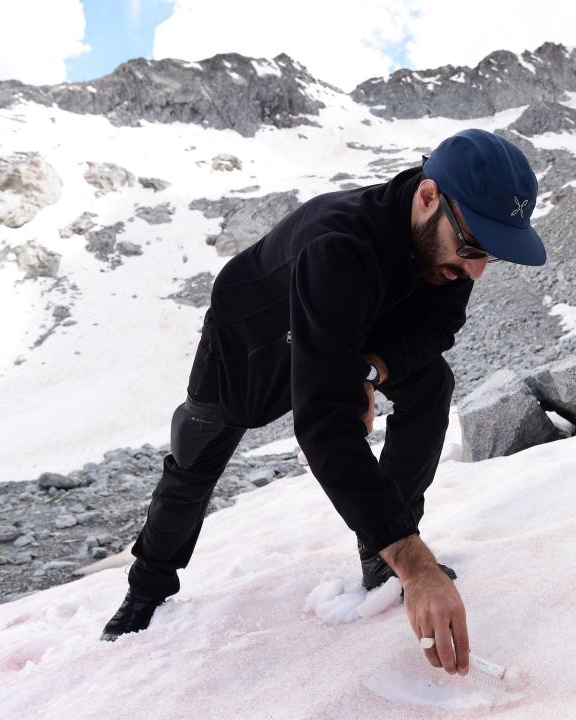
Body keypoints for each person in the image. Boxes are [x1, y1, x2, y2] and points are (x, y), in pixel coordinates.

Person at [100, 128, 546, 676]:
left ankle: (378, 554)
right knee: (195, 458)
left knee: (431, 385)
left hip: (347, 329)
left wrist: (368, 369)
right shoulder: (339, 243)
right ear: (428, 196)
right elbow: (324, 428)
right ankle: (145, 591)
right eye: (474, 248)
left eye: (489, 256)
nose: (475, 270)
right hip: (251, 344)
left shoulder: (447, 240)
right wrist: (419, 567)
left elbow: (437, 326)